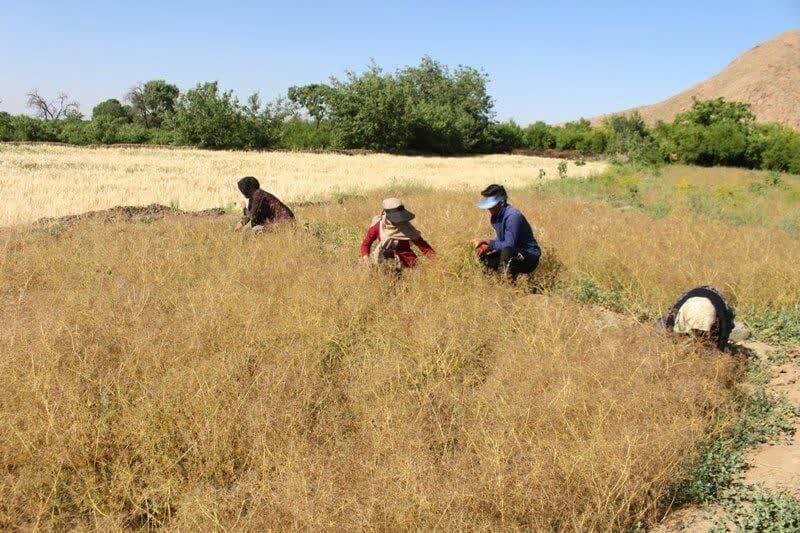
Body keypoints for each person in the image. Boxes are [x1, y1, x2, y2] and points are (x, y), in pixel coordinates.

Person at [473, 184, 541, 280]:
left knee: (507, 251)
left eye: (491, 205)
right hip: (513, 252)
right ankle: (498, 283)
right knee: (484, 257)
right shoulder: (495, 217)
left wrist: (489, 242)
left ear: (501, 203)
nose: (489, 208)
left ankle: (504, 286)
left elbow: (509, 245)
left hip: (529, 257)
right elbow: (502, 240)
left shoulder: (513, 216)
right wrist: (486, 246)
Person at [360, 198, 435, 269]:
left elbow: (425, 247)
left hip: (409, 265)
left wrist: (438, 262)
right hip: (385, 266)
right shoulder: (378, 226)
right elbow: (366, 244)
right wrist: (366, 258)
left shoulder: (407, 227)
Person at [656, 286, 736, 352]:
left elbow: (667, 321)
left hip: (694, 308)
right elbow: (726, 327)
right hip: (700, 310)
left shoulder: (682, 299)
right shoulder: (723, 307)